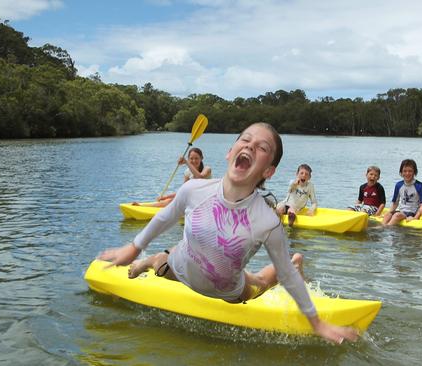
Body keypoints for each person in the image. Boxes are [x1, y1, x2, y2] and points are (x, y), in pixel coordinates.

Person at [98, 122, 358, 344]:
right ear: (229, 152)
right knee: (160, 266)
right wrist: (134, 247)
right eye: (245, 140)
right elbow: (166, 217)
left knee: (261, 282)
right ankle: (150, 259)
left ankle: (296, 259)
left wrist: (316, 322)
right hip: (177, 269)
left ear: (268, 171)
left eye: (262, 147)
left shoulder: (267, 221)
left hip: (231, 293)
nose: (250, 146)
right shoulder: (194, 190)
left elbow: (287, 277)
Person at [132, 148, 212, 207]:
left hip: (205, 201)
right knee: (170, 200)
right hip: (193, 199)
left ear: (201, 158)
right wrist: (165, 196)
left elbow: (199, 177)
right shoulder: (187, 172)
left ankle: (143, 206)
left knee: (172, 201)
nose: (194, 161)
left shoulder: (207, 169)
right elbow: (183, 191)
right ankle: (148, 205)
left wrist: (187, 163)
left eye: (196, 158)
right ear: (188, 158)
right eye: (191, 158)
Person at [382, 159, 422, 226]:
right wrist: (388, 213)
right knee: (387, 214)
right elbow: (395, 203)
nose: (407, 173)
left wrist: (415, 218)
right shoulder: (398, 185)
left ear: (414, 172)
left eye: (410, 171)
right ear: (401, 172)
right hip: (402, 211)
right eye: (405, 171)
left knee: (397, 215)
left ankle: (386, 229)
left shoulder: (420, 186)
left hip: (412, 213)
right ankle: (381, 227)